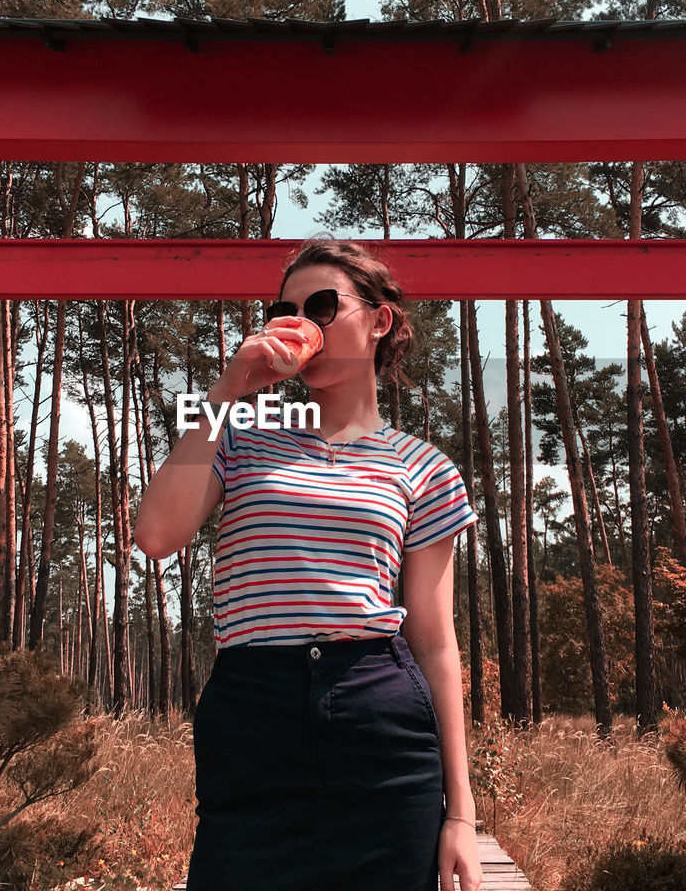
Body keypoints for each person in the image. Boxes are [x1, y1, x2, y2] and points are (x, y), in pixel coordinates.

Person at [134, 237, 484, 891]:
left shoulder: (424, 468)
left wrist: (460, 813)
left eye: (323, 305)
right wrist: (233, 382)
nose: (301, 322)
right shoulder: (238, 438)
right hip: (253, 711)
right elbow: (156, 535)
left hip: (380, 716)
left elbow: (435, 644)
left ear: (379, 320)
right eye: (284, 309)